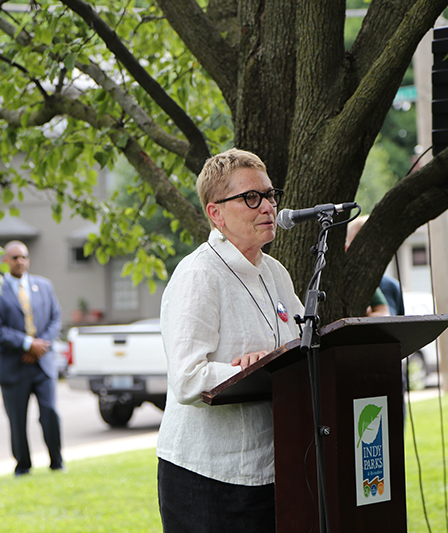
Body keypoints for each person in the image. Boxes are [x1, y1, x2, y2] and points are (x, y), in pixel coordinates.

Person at [156, 148, 304, 532]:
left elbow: (303, 346)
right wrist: (249, 370)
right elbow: (188, 379)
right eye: (251, 197)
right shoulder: (199, 274)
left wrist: (274, 361)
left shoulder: (276, 273)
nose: (268, 206)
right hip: (207, 479)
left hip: (272, 471)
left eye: (270, 195)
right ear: (216, 213)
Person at [0, 240, 64, 476]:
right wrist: (28, 344)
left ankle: (57, 462)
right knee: (17, 419)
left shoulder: (44, 286)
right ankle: (23, 465)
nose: (20, 261)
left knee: (50, 412)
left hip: (43, 363)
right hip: (13, 365)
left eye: (24, 257)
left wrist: (41, 346)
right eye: (15, 257)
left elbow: (55, 319)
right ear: (5, 261)